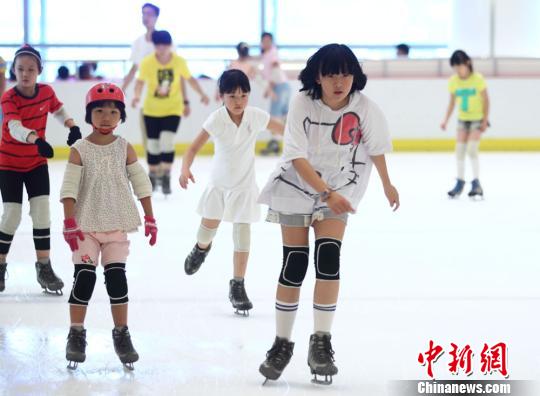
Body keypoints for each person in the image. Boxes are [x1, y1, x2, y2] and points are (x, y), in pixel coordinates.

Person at [256, 44, 400, 385]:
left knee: (329, 258)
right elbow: (295, 156)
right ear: (317, 76)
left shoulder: (365, 108)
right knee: (294, 264)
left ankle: (321, 342)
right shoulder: (302, 103)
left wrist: (387, 184)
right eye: (331, 74)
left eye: (346, 73)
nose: (339, 81)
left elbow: (376, 147)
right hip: (296, 187)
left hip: (339, 190)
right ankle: (282, 343)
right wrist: (325, 192)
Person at [60, 83, 157, 370]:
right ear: (89, 114)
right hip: (85, 227)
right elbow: (69, 190)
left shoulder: (124, 148)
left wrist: (150, 217)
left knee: (117, 280)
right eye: (99, 111)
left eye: (113, 112)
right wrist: (69, 223)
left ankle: (122, 334)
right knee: (85, 279)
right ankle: (76, 333)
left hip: (115, 225)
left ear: (121, 116)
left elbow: (141, 184)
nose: (106, 117)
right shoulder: (79, 150)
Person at [180, 70, 283, 316]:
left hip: (245, 186)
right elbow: (192, 148)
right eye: (232, 96)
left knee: (243, 235)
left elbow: (285, 130)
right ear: (221, 97)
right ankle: (201, 248)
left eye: (244, 95)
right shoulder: (216, 120)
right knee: (207, 230)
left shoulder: (255, 116)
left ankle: (238, 285)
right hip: (219, 185)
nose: (239, 102)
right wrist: (185, 168)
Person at [0, 45, 82, 294]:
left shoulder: (46, 92)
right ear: (14, 71)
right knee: (12, 215)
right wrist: (36, 139)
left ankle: (44, 267)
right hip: (9, 164)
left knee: (42, 213)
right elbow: (14, 127)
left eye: (31, 69)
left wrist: (72, 125)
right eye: (20, 69)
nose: (25, 74)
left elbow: (57, 108)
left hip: (36, 164)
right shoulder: (8, 97)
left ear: (39, 71)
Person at [133, 30, 209, 195]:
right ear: (154, 46)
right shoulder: (147, 62)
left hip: (173, 109)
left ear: (170, 45)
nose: (162, 48)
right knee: (153, 145)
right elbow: (139, 83)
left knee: (167, 141)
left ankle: (166, 175)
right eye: (158, 45)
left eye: (165, 45)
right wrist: (136, 96)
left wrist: (202, 94)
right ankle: (153, 174)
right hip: (151, 110)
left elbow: (190, 80)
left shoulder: (179, 61)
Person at [440, 50, 489, 199]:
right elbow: (452, 102)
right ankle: (460, 182)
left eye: (459, 66)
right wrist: (445, 120)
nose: (458, 70)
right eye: (455, 68)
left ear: (467, 63)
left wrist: (485, 120)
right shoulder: (453, 81)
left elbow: (486, 100)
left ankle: (476, 183)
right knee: (459, 150)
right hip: (462, 120)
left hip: (477, 120)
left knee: (472, 150)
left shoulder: (478, 79)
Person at [259, 32, 290, 155]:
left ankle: (275, 144)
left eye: (268, 41)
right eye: (264, 41)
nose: (266, 43)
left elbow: (275, 69)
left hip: (279, 86)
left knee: (275, 117)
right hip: (282, 86)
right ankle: (279, 143)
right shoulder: (268, 54)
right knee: (283, 117)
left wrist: (270, 88)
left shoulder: (272, 53)